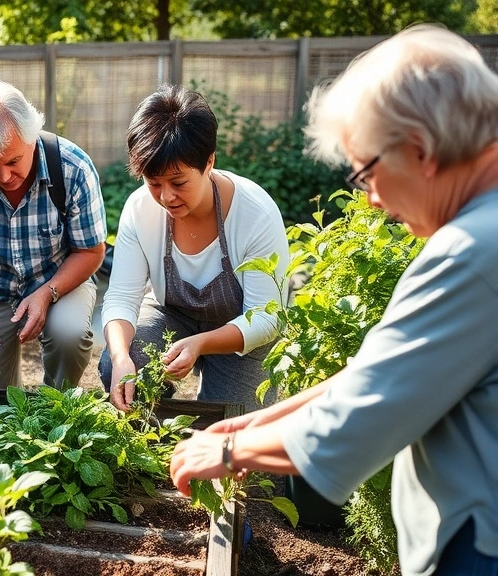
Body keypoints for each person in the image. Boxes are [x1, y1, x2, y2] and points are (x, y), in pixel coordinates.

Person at [170, 25, 498, 576]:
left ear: (422, 149)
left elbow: (361, 416)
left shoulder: (472, 253)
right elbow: (378, 372)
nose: (369, 197)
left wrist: (225, 454)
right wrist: (247, 426)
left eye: (367, 169)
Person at [99, 86, 289, 413]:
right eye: (154, 182)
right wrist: (120, 359)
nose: (166, 196)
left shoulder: (255, 213)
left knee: (231, 422)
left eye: (178, 182)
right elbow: (121, 298)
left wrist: (200, 344)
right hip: (172, 315)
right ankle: (153, 435)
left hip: (242, 330)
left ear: (209, 162)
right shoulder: (140, 209)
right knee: (121, 365)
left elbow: (268, 318)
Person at [0, 78, 106, 390]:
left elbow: (91, 252)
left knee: (69, 334)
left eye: (13, 161)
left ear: (32, 140)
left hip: (59, 280)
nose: (3, 176)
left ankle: (55, 403)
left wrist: (47, 293)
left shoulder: (73, 168)